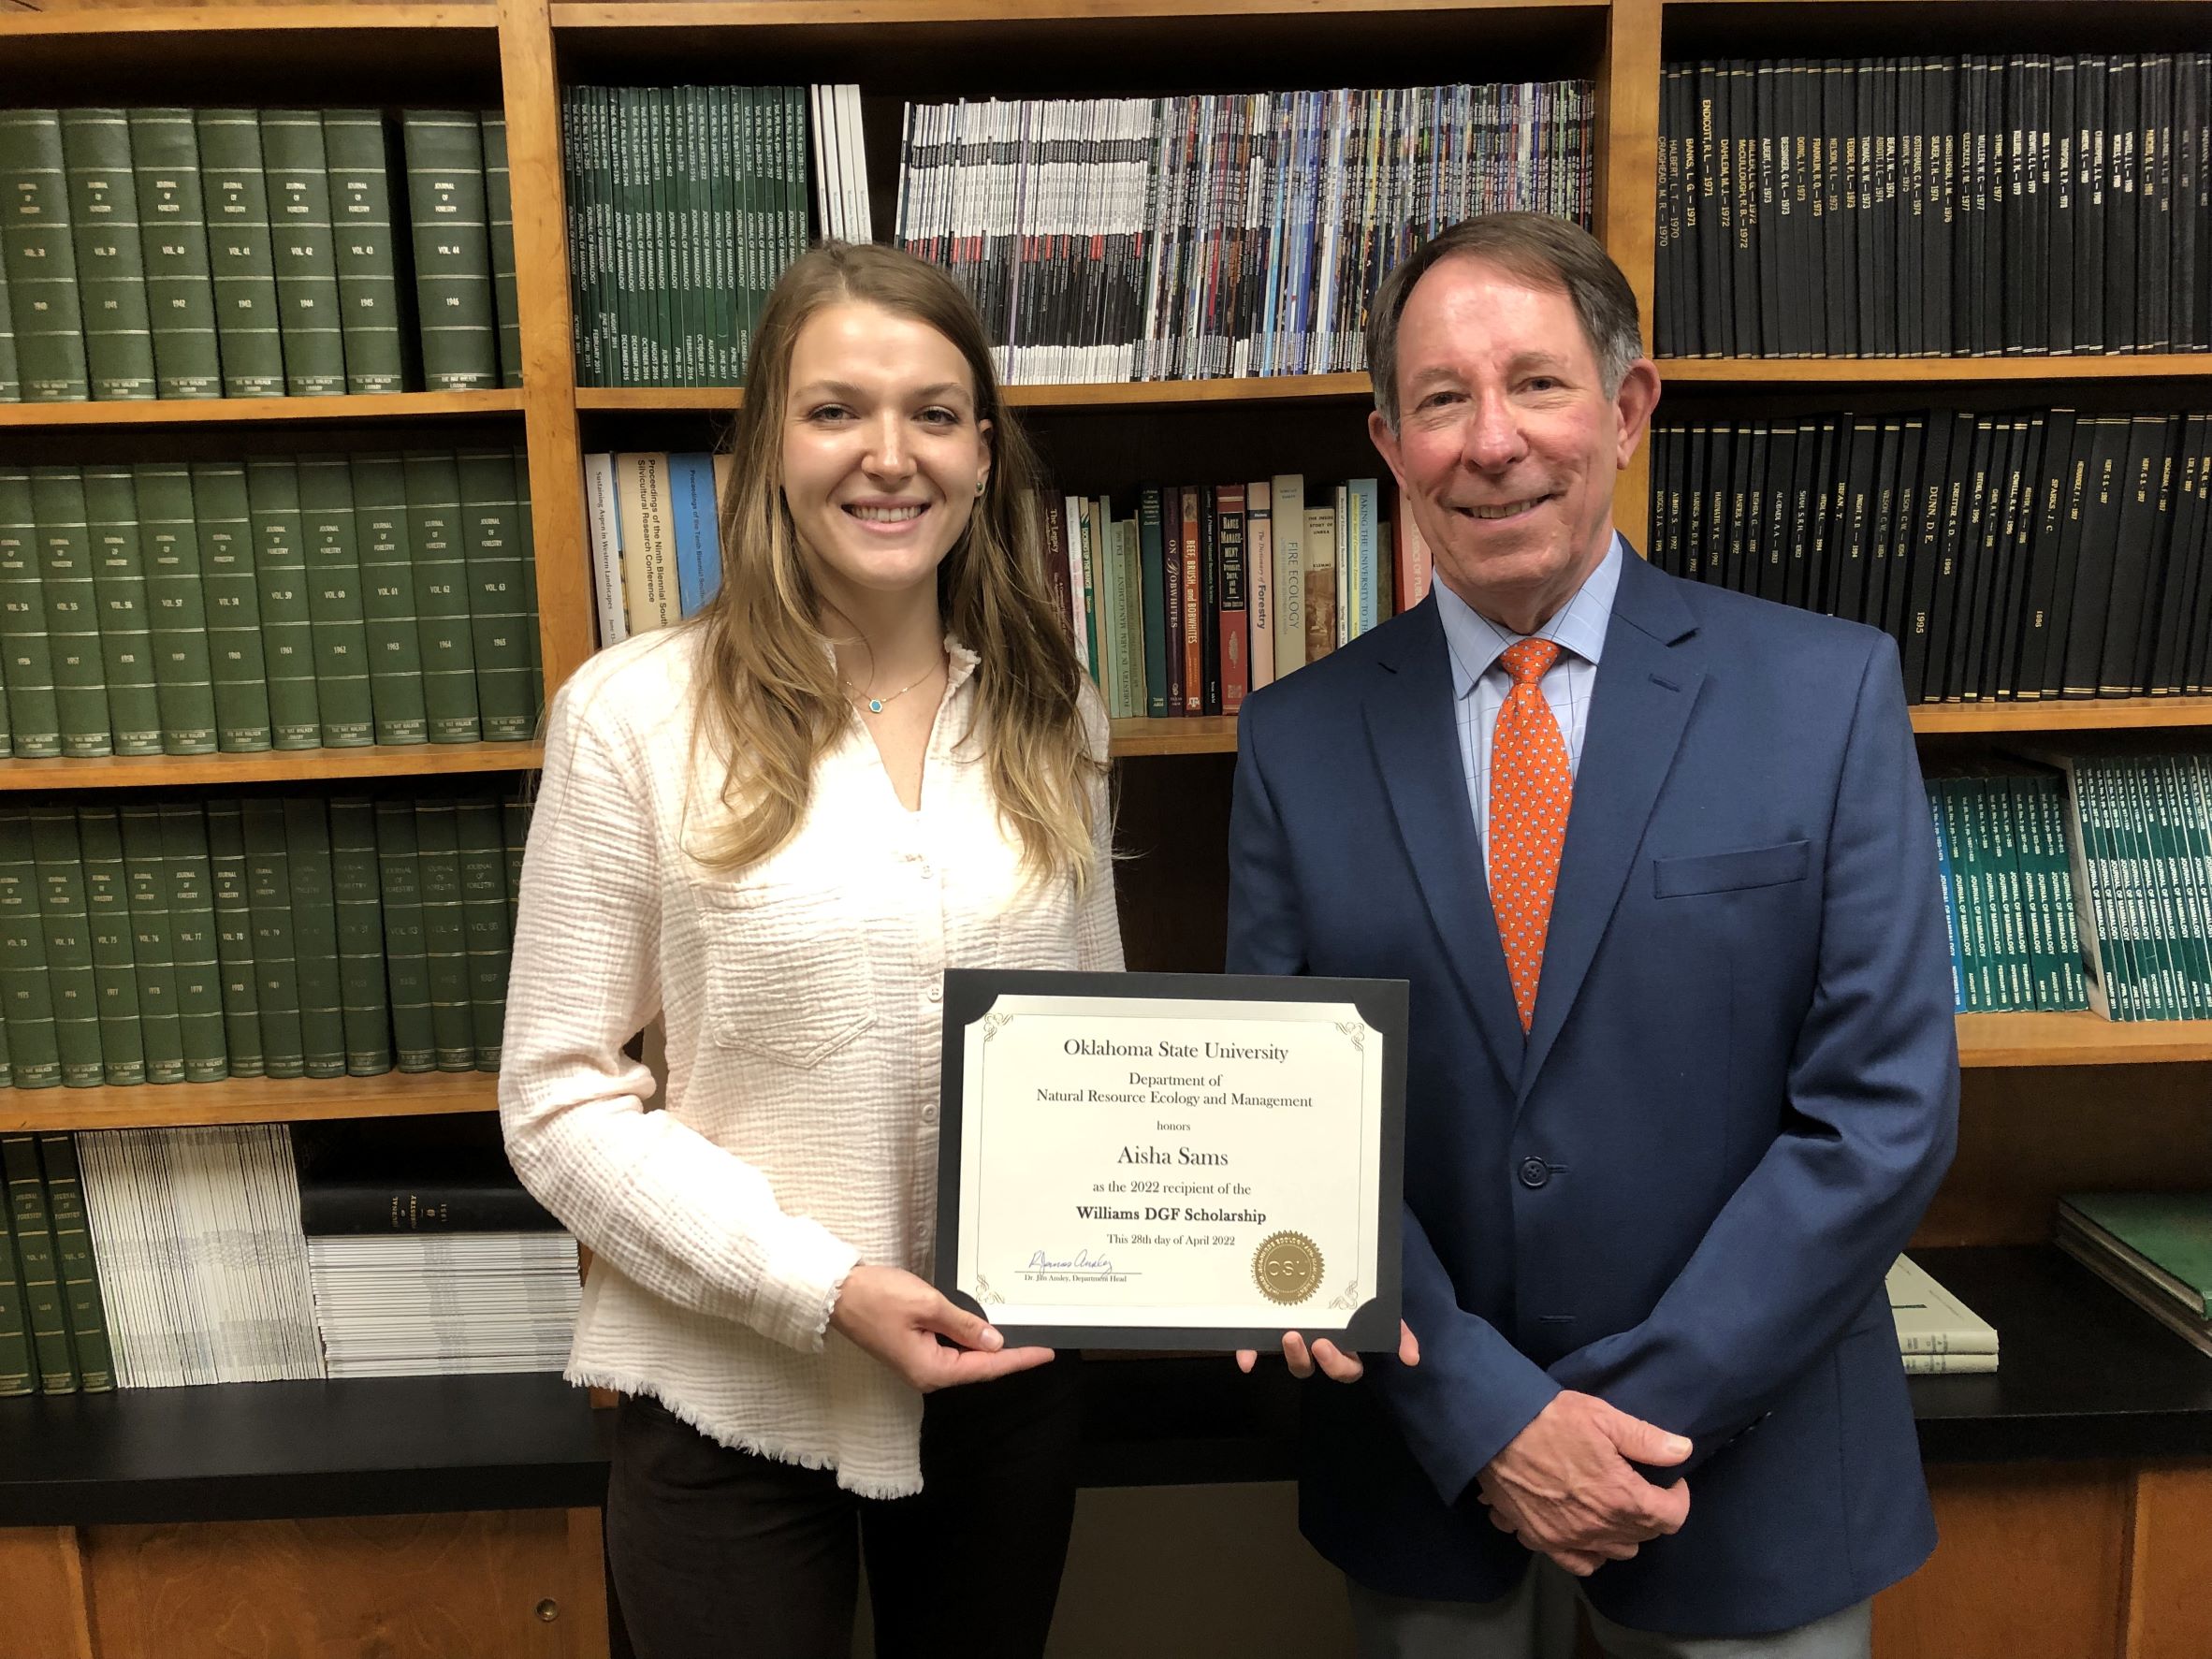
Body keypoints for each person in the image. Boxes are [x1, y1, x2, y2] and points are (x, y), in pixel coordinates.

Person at [1225, 212, 1959, 1657]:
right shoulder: (1296, 739)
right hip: (1430, 1480)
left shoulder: (1826, 694)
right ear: (1388, 443)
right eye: (1441, 399)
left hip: (1745, 1486)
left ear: (1626, 408)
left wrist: (1624, 1424)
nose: (1491, 440)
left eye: (1538, 384)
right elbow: (1287, 1121)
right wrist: (1495, 1419)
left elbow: (1882, 1113)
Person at [500, 241, 1121, 1659]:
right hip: (734, 1388)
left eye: (935, 413)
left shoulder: (1057, 718)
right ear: (769, 442)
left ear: (983, 453)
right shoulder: (633, 718)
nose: (888, 456)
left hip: (1000, 1385)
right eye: (837, 408)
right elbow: (554, 1099)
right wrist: (825, 1288)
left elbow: (1091, 1049)